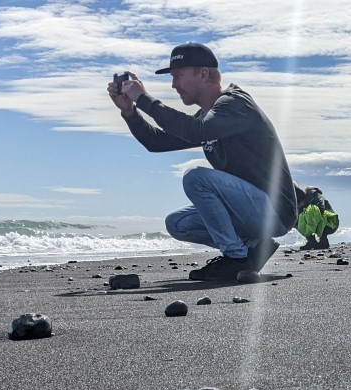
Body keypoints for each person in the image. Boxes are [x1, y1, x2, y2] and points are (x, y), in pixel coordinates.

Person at [109, 43, 296, 281]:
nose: (174, 85)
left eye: (178, 76)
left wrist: (143, 98)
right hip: (249, 210)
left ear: (204, 73)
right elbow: (157, 142)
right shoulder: (208, 116)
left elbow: (195, 130)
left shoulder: (236, 104)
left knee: (196, 178)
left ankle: (235, 258)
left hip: (274, 211)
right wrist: (129, 112)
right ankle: (254, 247)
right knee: (177, 223)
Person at [294, 183, 339, 250]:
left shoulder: (316, 196)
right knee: (300, 222)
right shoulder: (311, 199)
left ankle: (315, 242)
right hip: (330, 223)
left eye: (308, 192)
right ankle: (318, 242)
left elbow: (320, 208)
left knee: (304, 220)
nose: (306, 192)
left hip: (329, 223)